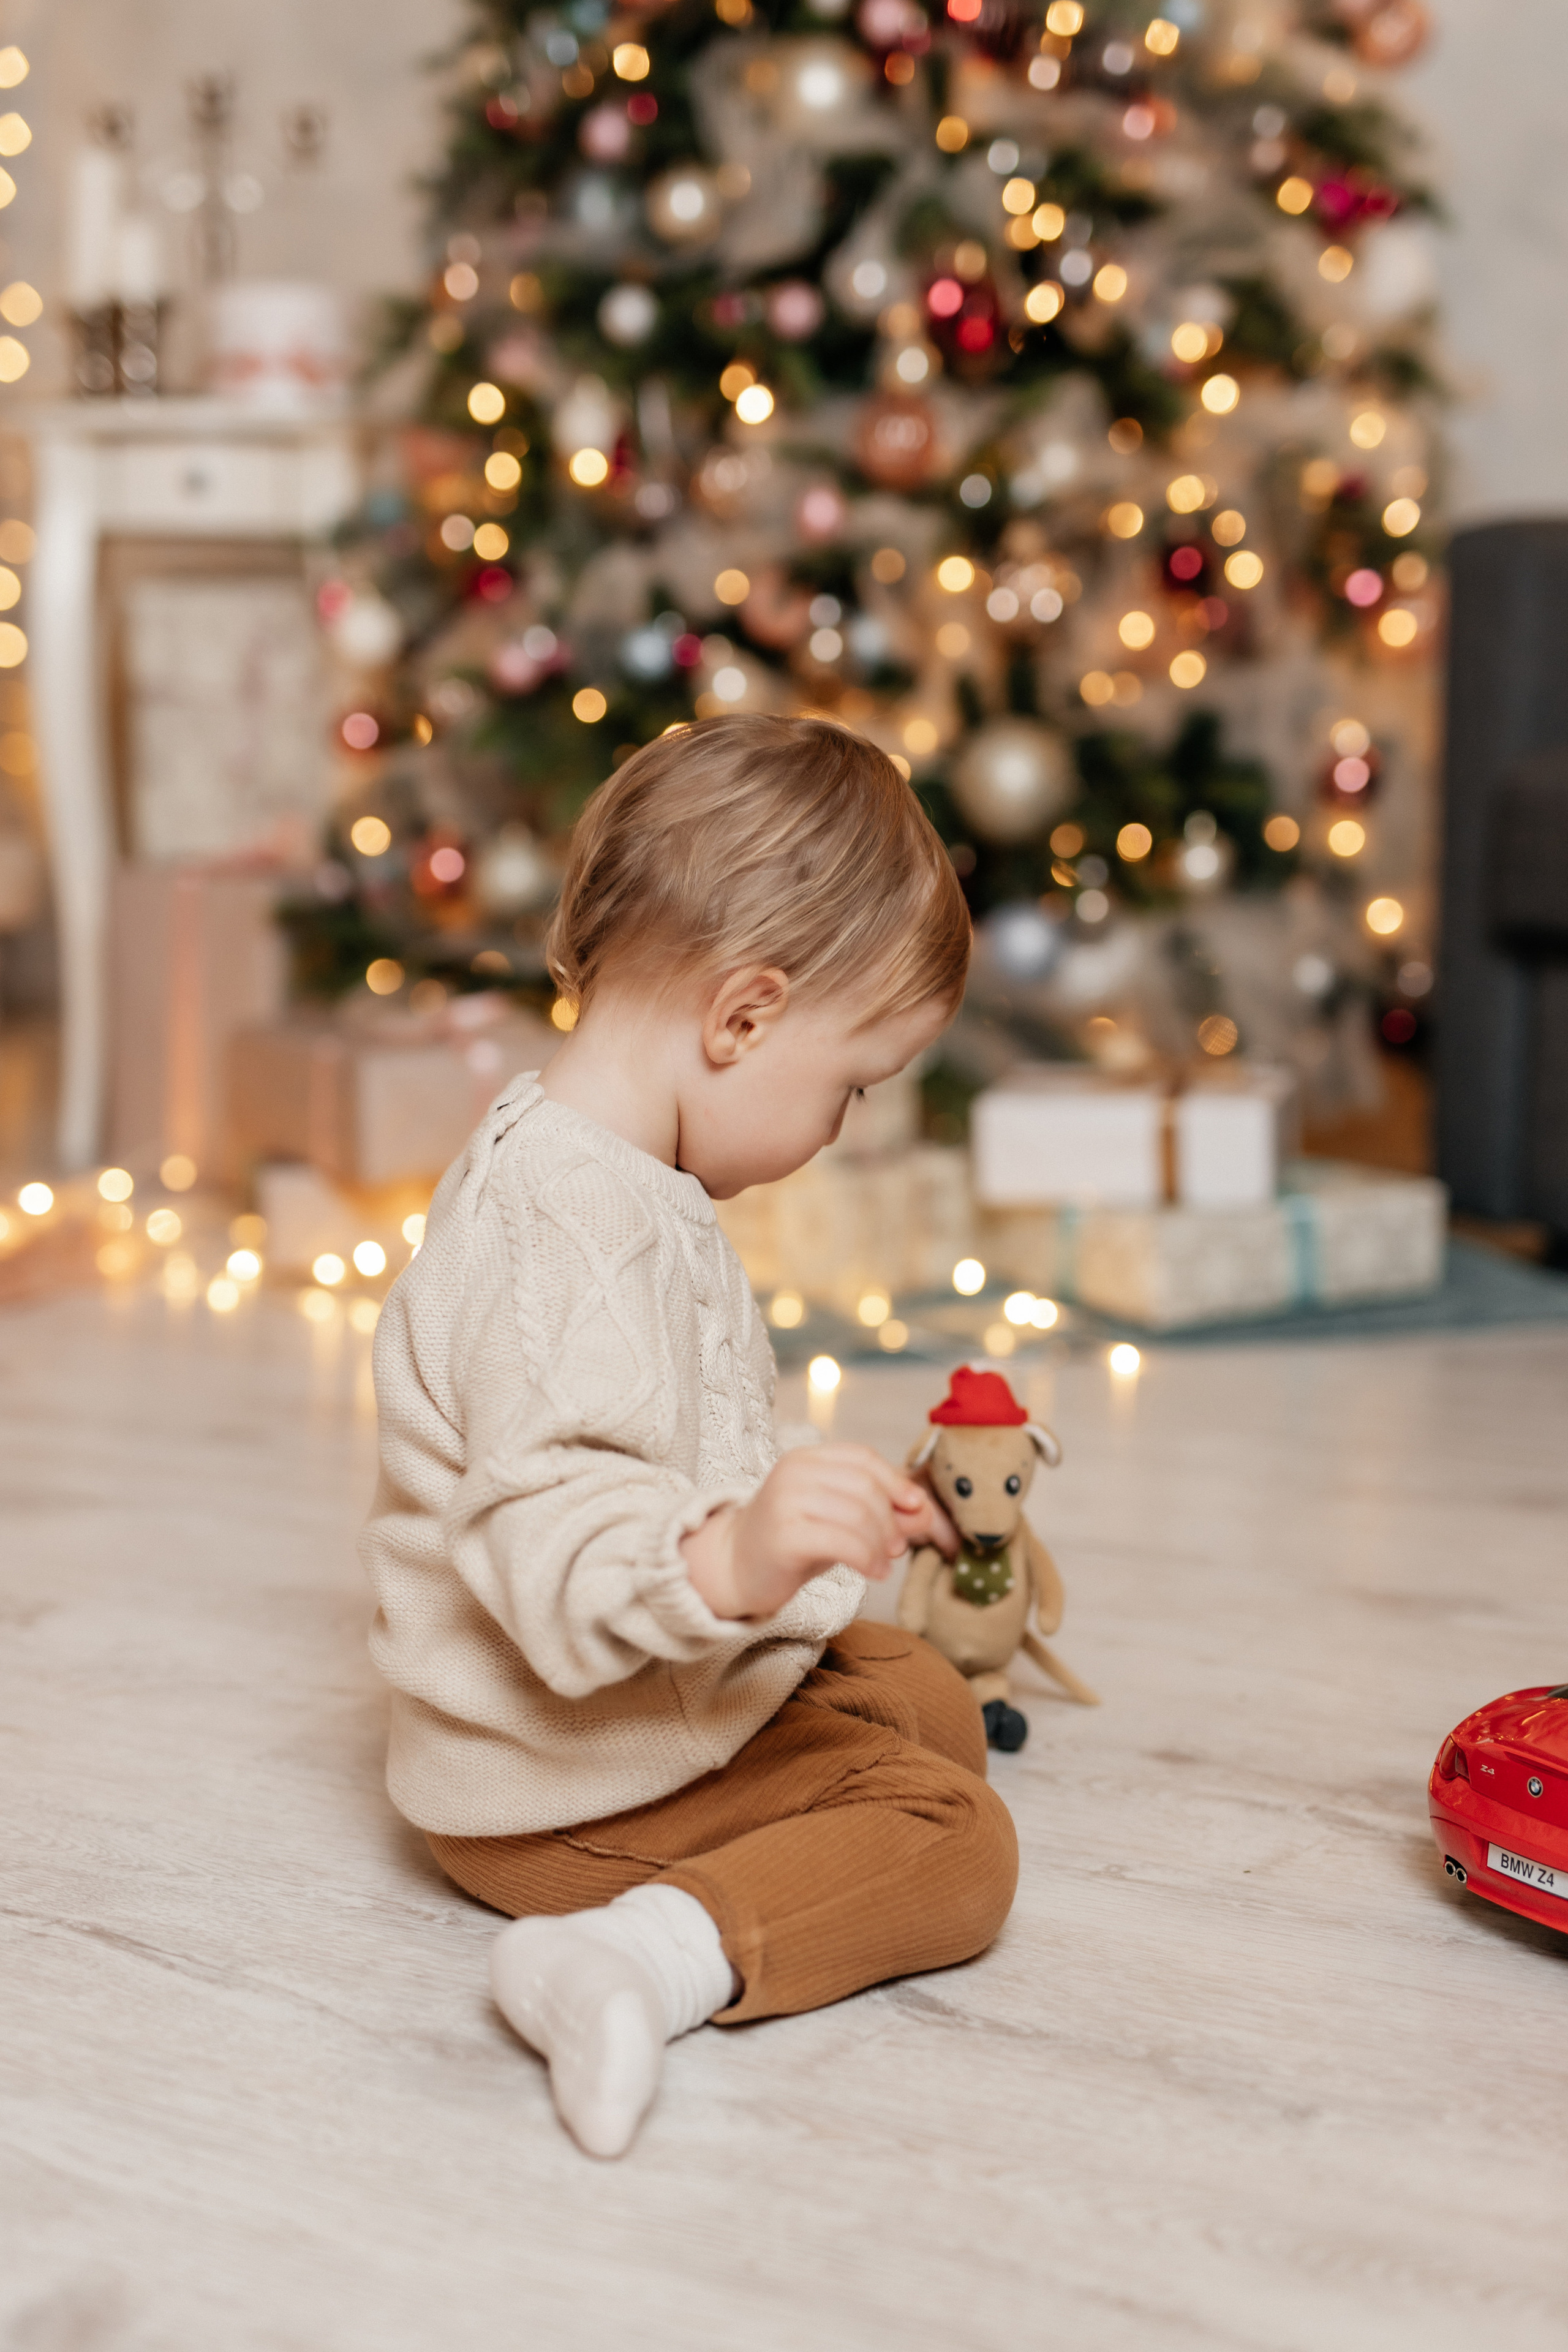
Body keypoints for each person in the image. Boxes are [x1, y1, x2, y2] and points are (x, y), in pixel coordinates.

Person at [362, 713, 1019, 2157]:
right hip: (548, 1784)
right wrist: (732, 1555)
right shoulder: (567, 1229)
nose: (843, 1126)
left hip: (641, 1684)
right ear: (742, 1016)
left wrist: (796, 1531)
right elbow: (546, 1531)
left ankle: (792, 1787)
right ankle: (632, 1958)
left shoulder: (622, 1168)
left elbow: (661, 1441)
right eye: (851, 1083)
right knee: (954, 1840)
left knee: (923, 1702)